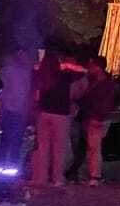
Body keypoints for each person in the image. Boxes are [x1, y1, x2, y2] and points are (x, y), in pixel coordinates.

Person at [29, 49, 82, 188]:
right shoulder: (64, 75)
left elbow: (34, 73)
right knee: (59, 148)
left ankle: (41, 178)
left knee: (43, 147)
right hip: (61, 114)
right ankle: (57, 178)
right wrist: (67, 65)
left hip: (44, 113)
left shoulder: (41, 75)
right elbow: (83, 72)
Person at [75, 57, 120, 186]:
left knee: (94, 147)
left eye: (92, 66)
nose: (90, 68)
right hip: (92, 116)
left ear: (98, 68)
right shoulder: (99, 82)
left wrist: (99, 115)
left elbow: (104, 102)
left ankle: (94, 175)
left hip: (96, 117)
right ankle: (90, 173)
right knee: (92, 147)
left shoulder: (104, 84)